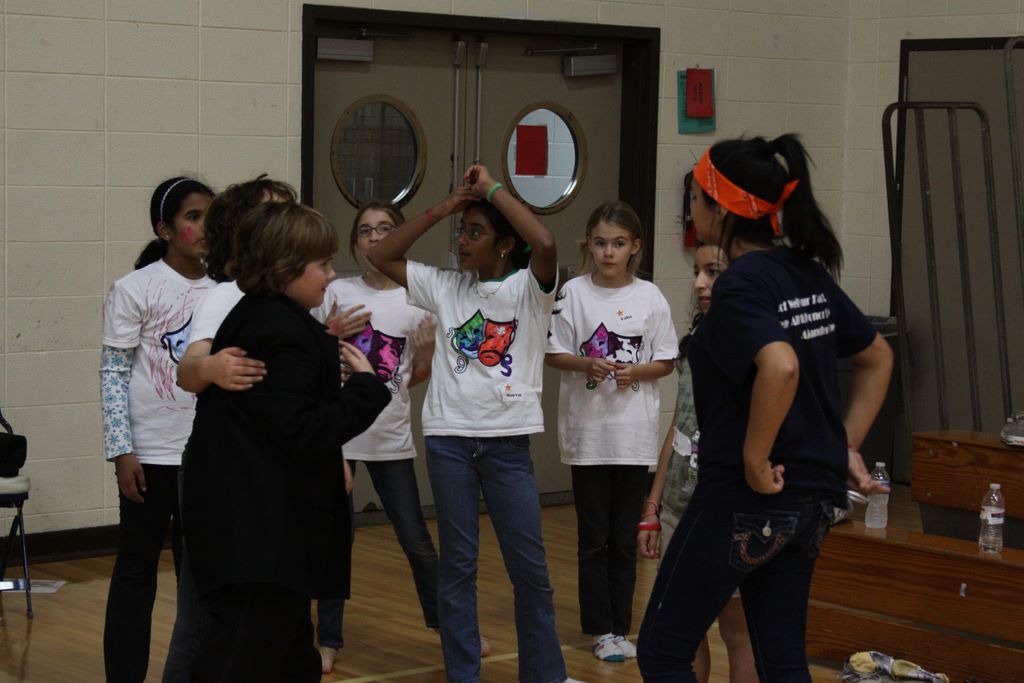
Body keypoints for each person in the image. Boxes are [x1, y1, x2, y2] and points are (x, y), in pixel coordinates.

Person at [636, 135, 893, 682]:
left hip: (743, 498)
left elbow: (781, 366)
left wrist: (754, 460)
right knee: (781, 661)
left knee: (662, 652)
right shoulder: (805, 273)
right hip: (810, 503)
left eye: (695, 198)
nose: (691, 210)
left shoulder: (741, 284)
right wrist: (841, 445)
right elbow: (878, 357)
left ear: (722, 208)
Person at [368, 166, 584, 683]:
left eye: (475, 232)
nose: (462, 242)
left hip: (506, 446)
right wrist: (445, 206)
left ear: (504, 245)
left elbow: (544, 241)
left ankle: (546, 676)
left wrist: (492, 190)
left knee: (529, 570)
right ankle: (462, 675)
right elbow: (382, 255)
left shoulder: (530, 289)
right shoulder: (444, 286)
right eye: (461, 232)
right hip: (448, 442)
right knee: (458, 568)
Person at [182, 201, 391, 682]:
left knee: (290, 658)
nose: (330, 276)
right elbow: (302, 430)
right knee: (241, 656)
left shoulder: (267, 318)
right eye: (322, 264)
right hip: (261, 534)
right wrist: (364, 390)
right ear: (284, 268)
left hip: (260, 528)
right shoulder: (282, 330)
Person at [162, 176, 297, 683]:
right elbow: (188, 370)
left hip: (272, 473)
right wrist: (212, 367)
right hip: (223, 474)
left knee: (273, 618)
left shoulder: (294, 295)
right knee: (203, 617)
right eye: (272, 214)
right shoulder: (227, 296)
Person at [310, 201, 446, 673]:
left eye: (385, 229)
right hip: (338, 436)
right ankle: (328, 639)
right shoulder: (336, 291)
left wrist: (426, 356)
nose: (374, 237)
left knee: (415, 538)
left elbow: (408, 378)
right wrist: (328, 335)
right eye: (365, 231)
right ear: (354, 243)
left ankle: (447, 627)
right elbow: (311, 364)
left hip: (390, 436)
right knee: (335, 542)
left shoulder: (417, 300)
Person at [545, 201, 676, 662]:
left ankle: (622, 626)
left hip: (632, 436)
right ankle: (600, 628)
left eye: (618, 244)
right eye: (600, 243)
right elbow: (554, 353)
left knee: (623, 538)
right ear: (589, 244)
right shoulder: (573, 293)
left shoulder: (650, 297)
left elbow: (665, 360)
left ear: (634, 247)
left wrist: (635, 372)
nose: (608, 252)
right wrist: (587, 364)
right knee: (593, 537)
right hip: (587, 437)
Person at [101, 176, 214, 683]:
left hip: (207, 454)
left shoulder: (227, 290)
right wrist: (121, 450)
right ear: (164, 230)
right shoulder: (135, 288)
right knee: (136, 571)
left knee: (201, 575)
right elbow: (113, 372)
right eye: (193, 217)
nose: (204, 227)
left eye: (210, 216)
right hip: (149, 455)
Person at [637, 240, 756, 683]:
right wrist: (654, 505)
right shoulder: (696, 342)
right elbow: (679, 424)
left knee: (737, 629)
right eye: (697, 272)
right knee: (681, 631)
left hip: (728, 509)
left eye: (713, 272)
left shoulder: (758, 346)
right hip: (678, 505)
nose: (700, 284)